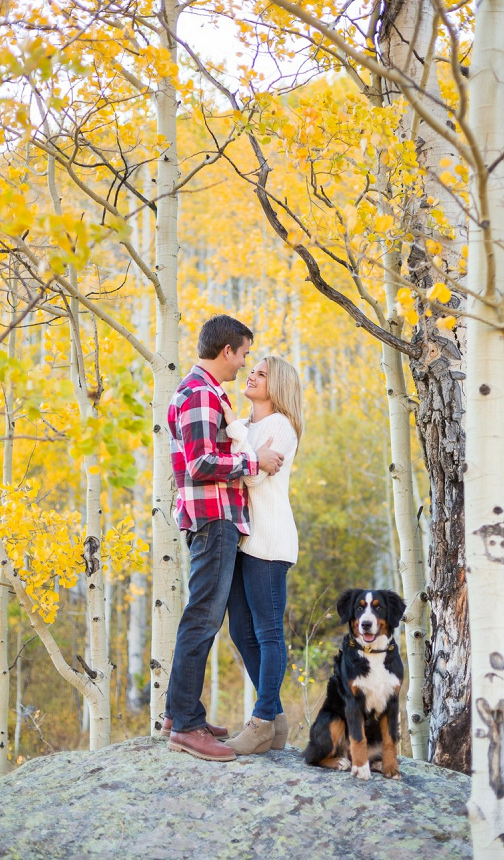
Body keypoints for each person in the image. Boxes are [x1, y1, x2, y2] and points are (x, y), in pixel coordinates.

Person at [163, 315, 284, 763]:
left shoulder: (210, 393)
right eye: (244, 353)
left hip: (219, 518)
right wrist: (254, 463)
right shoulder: (198, 393)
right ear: (227, 351)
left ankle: (182, 711)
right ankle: (186, 726)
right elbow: (200, 464)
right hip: (213, 519)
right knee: (203, 618)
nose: (244, 363)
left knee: (203, 616)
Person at [222, 355, 303, 755]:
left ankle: (261, 722)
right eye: (251, 370)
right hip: (244, 540)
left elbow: (252, 475)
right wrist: (243, 440)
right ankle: (276, 720)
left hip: (269, 542)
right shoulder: (252, 428)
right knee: (240, 631)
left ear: (279, 386)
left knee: (268, 634)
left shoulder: (281, 427)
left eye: (261, 374)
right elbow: (247, 463)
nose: (251, 375)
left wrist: (234, 431)